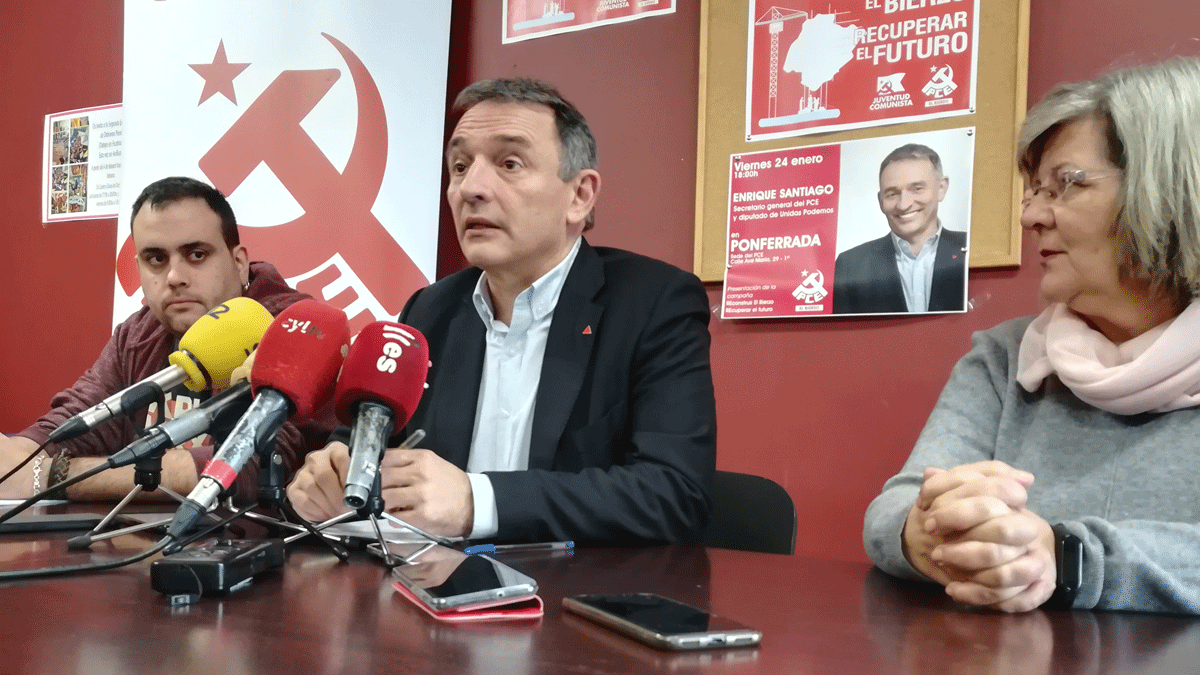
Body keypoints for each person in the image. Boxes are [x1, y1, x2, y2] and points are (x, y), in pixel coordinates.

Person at [287, 78, 717, 544]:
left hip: (575, 601)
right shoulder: (430, 310)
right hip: (432, 594)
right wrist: (333, 472)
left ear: (580, 196)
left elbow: (674, 494)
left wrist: (478, 501)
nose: (471, 187)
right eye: (459, 165)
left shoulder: (654, 303)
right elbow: (369, 442)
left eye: (509, 163)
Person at [863, 57, 1200, 613]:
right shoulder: (1004, 356)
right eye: (1034, 190)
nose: (1031, 217)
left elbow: (1063, 557)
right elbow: (895, 508)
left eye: (1066, 185)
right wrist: (930, 532)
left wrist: (1064, 556)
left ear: (1169, 187)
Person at [0, 176, 322, 503]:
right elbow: (76, 421)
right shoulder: (138, 334)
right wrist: (17, 458)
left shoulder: (293, 327)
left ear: (238, 263)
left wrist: (50, 476)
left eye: (196, 255)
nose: (174, 278)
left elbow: (250, 465)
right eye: (156, 259)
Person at [832, 143, 968, 314]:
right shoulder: (850, 265)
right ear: (881, 201)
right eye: (892, 194)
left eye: (917, 189)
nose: (904, 205)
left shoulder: (974, 248)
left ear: (941, 188)